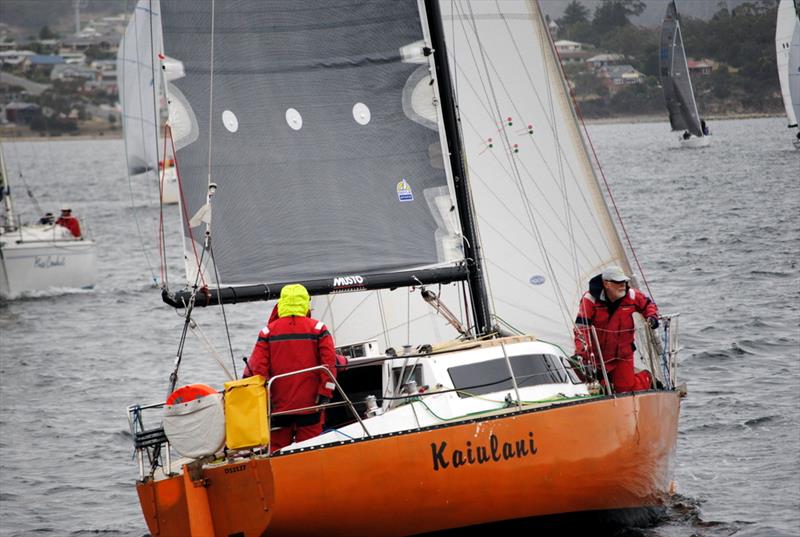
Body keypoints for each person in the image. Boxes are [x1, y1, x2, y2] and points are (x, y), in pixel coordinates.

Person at [244, 284, 337, 452]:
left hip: (278, 408)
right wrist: (325, 393)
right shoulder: (318, 329)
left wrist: (262, 401)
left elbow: (256, 370)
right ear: (305, 303)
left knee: (277, 451)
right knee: (311, 449)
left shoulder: (267, 332)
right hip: (310, 405)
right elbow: (329, 365)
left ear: (281, 303)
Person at [573, 266, 659, 393]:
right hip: (599, 356)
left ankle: (647, 378)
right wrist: (582, 354)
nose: (623, 285)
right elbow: (581, 328)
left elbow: (648, 305)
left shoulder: (632, 295)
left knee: (625, 389)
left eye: (624, 281)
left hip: (623, 355)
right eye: (618, 282)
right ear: (606, 284)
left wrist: (652, 317)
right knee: (600, 390)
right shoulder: (589, 300)